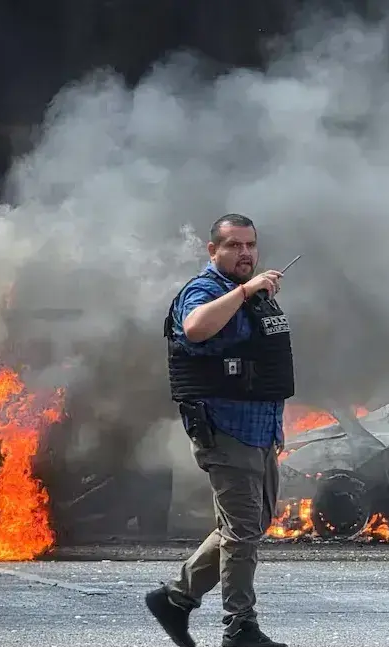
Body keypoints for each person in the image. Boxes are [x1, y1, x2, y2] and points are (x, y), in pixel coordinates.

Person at [145, 213, 293, 648]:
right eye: (233, 245)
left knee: (249, 524)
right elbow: (195, 328)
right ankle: (239, 627)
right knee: (242, 531)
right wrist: (246, 291)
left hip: (259, 431)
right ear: (214, 250)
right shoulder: (205, 290)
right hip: (226, 430)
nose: (244, 253)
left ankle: (176, 598)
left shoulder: (249, 295)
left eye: (250, 245)